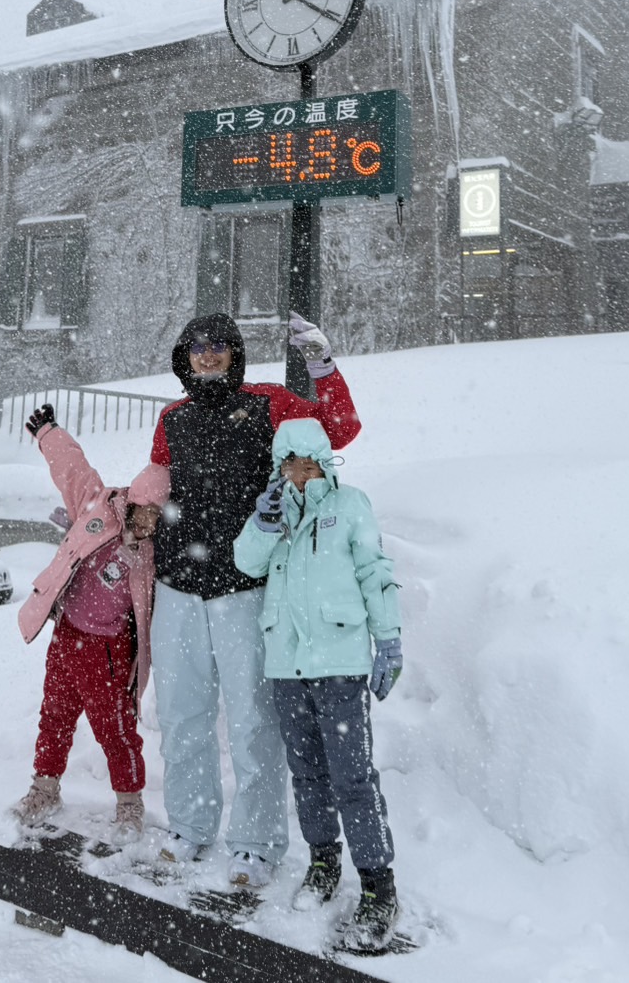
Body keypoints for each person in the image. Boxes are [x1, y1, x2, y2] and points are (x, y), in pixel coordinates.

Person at [126, 310, 361, 888]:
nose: (209, 354)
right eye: (198, 346)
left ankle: (256, 842)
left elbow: (338, 430)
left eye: (220, 346)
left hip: (244, 587)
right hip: (177, 586)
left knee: (255, 721)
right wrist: (138, 502)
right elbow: (158, 476)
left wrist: (322, 366)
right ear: (185, 355)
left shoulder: (269, 403)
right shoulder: (172, 417)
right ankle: (189, 826)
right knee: (182, 715)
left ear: (236, 353)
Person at [233, 415, 404, 951]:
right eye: (288, 464)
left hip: (340, 663)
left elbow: (374, 571)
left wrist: (389, 638)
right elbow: (245, 562)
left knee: (353, 777)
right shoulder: (273, 511)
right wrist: (261, 525)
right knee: (306, 775)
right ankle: (324, 863)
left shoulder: (350, 505)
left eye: (307, 463)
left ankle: (379, 887)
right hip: (287, 665)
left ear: (325, 463)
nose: (298, 474)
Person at [12, 403, 165, 841]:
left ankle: (130, 803)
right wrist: (47, 433)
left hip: (108, 651)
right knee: (54, 715)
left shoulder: (154, 558)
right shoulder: (98, 506)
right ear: (130, 499)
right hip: (67, 635)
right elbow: (72, 468)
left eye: (157, 515)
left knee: (115, 728)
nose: (146, 522)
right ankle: (45, 787)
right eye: (142, 510)